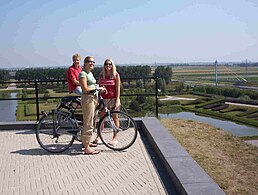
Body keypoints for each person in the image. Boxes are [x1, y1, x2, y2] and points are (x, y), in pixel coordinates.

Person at [78, 56, 106, 155]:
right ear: (85, 63)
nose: (92, 63)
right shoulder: (82, 74)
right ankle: (86, 147)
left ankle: (88, 141)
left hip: (93, 98)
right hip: (87, 99)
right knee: (88, 122)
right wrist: (97, 89)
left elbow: (93, 86)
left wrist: (99, 88)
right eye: (90, 62)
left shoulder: (90, 73)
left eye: (93, 62)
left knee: (93, 120)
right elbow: (85, 89)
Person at [93, 58, 121, 146]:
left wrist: (117, 100)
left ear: (112, 65)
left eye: (109, 64)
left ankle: (115, 138)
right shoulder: (101, 75)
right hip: (103, 100)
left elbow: (118, 89)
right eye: (106, 64)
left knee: (115, 117)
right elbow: (99, 87)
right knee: (102, 118)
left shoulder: (116, 75)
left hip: (113, 99)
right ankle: (99, 136)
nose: (108, 66)